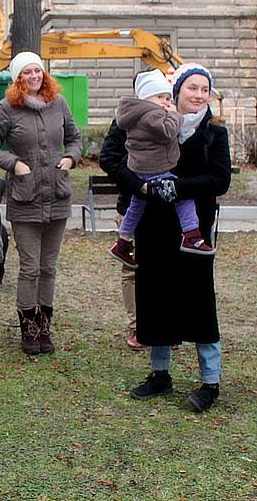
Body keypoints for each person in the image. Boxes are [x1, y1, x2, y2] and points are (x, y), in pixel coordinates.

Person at [127, 62, 230, 413]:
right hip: (155, 223)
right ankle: (160, 373)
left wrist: (180, 186)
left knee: (200, 298)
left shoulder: (215, 134)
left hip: (195, 227)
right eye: (192, 88)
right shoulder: (154, 123)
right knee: (156, 294)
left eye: (204, 89)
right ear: (177, 91)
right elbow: (125, 160)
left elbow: (220, 181)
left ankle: (210, 381)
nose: (198, 95)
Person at [0, 51, 82, 355]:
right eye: (27, 72)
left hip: (57, 195)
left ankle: (45, 328)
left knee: (48, 267)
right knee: (30, 268)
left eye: (38, 71)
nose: (34, 76)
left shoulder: (58, 103)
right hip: (25, 198)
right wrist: (14, 164)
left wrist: (70, 158)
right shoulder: (7, 108)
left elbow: (75, 138)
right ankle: (29, 329)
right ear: (18, 78)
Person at [108, 69, 212, 270]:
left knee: (136, 205)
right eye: (160, 97)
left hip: (141, 169)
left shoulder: (135, 115)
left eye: (167, 97)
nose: (166, 102)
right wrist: (175, 115)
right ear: (146, 98)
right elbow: (167, 132)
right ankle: (191, 234)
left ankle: (123, 240)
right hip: (155, 169)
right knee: (182, 196)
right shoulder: (151, 114)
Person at [99, 124, 144, 351]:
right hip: (131, 206)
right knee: (131, 270)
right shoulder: (124, 120)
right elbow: (108, 158)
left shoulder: (173, 116)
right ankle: (136, 326)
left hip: (170, 208)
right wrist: (136, 184)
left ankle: (164, 324)